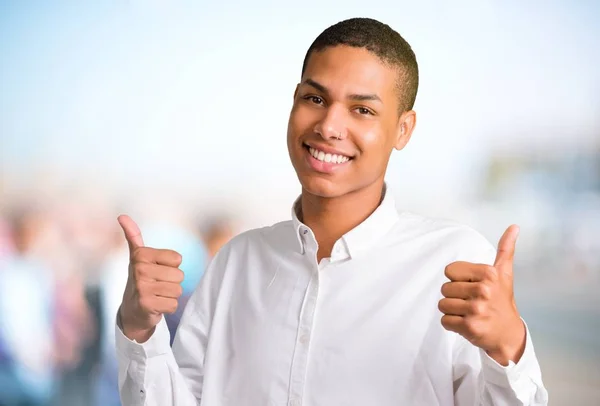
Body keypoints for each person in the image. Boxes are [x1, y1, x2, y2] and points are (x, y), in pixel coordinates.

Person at [114, 17, 548, 405]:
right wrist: (139, 331)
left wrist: (507, 345)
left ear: (403, 129)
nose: (329, 126)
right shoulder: (236, 261)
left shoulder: (454, 262)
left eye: (362, 109)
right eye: (315, 99)